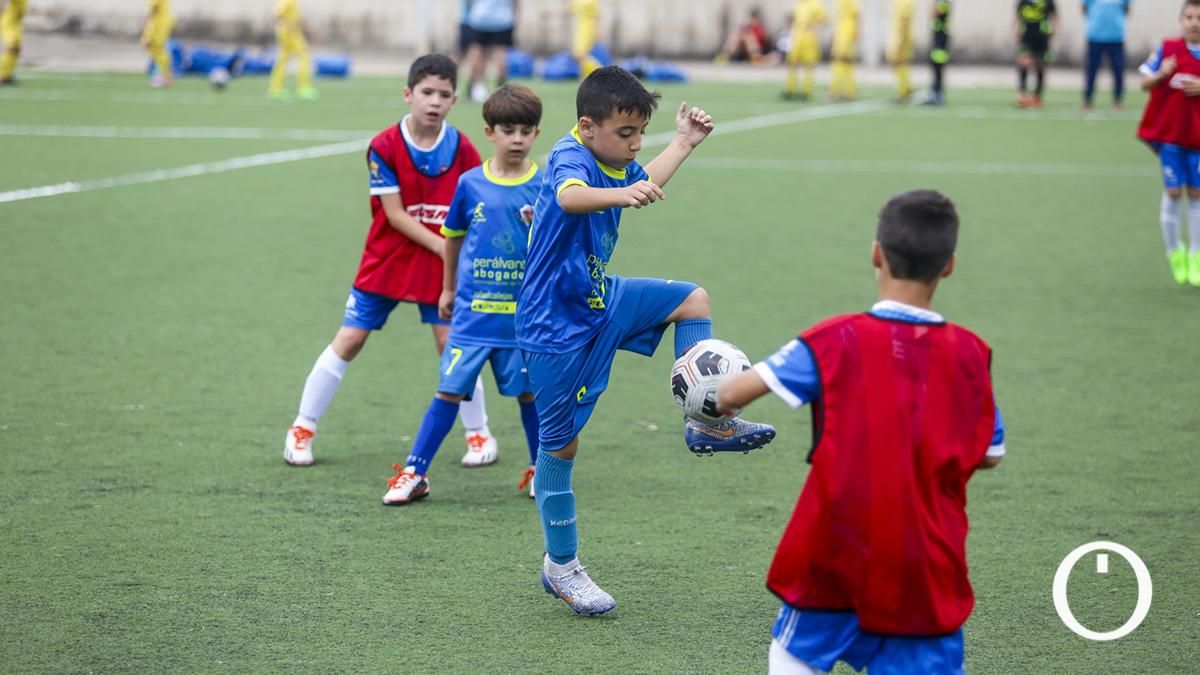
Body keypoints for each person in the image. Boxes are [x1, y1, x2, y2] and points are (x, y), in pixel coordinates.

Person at [517, 66, 776, 616]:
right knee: (560, 448)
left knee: (692, 300)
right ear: (588, 126)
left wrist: (682, 143)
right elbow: (569, 197)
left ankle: (706, 420)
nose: (636, 145)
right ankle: (561, 567)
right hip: (553, 327)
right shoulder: (570, 156)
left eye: (641, 133)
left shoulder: (609, 157)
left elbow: (642, 180)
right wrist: (621, 193)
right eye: (626, 134)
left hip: (600, 297)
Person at [715, 189, 1006, 675]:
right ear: (949, 266)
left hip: (836, 555)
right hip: (926, 569)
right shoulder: (971, 354)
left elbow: (730, 394)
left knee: (793, 654)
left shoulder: (836, 337)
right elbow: (991, 453)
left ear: (876, 254)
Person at [283, 55, 499, 467]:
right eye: (426, 92)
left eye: (444, 95)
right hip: (388, 257)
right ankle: (302, 427)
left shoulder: (463, 148)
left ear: (454, 101)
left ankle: (478, 432)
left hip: (440, 266)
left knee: (452, 345)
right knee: (351, 338)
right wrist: (444, 246)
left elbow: (479, 202)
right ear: (408, 94)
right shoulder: (383, 146)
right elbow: (395, 215)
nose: (434, 101)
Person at [382, 84, 544, 505]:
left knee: (530, 394)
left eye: (525, 131)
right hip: (472, 316)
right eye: (508, 130)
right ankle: (415, 472)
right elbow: (452, 238)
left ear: (536, 134)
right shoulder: (470, 184)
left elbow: (554, 249)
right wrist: (448, 288)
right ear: (489, 132)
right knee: (449, 389)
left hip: (521, 319)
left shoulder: (545, 186)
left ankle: (540, 469)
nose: (517, 139)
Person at [1137, 0, 1200, 286]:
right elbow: (1144, 82)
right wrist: (1162, 73)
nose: (1194, 23)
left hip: (1197, 138)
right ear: (1180, 19)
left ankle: (1196, 256)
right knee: (1174, 193)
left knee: (1196, 194)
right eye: (1189, 17)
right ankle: (1175, 252)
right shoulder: (1168, 49)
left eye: (1199, 18)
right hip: (1171, 137)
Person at [460, 0, 516, 104]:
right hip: (503, 20)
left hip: (479, 18)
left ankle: (477, 88)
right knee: (500, 54)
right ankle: (502, 90)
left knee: (477, 53)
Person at [1083, 0, 1131, 110]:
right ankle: (1088, 99)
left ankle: (1118, 100)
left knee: (1118, 69)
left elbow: (1127, 9)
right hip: (1095, 35)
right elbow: (1085, 8)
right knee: (1091, 69)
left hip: (1116, 36)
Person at [269, 0, 317, 101]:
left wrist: (305, 28)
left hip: (290, 32)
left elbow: (295, 18)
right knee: (304, 55)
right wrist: (289, 26)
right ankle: (303, 88)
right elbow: (278, 14)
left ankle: (276, 88)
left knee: (284, 58)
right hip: (289, 33)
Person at [1016, 0, 1058, 108]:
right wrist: (1016, 31)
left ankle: (1037, 96)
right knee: (1023, 62)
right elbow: (1017, 16)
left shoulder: (1048, 1)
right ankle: (1022, 93)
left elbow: (1055, 15)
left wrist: (1054, 30)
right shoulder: (1023, 1)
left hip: (1042, 36)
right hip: (1026, 36)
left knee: (1040, 65)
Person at [544, 0, 601, 79]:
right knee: (577, 56)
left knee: (580, 55)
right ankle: (590, 75)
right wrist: (551, 13)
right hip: (580, 30)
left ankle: (599, 72)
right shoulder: (577, 1)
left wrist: (596, 30)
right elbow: (566, 10)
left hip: (589, 29)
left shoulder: (592, 1)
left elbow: (597, 16)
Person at [783, 0, 827, 101]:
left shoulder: (816, 3)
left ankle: (806, 91)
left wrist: (813, 26)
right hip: (797, 37)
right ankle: (790, 89)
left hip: (809, 38)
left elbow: (823, 19)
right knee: (792, 63)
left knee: (808, 65)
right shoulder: (799, 3)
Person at [922, 0, 951, 105]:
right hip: (938, 40)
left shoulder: (943, 1)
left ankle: (937, 95)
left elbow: (935, 12)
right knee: (935, 68)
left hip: (940, 41)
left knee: (938, 69)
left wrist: (933, 6)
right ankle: (935, 93)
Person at [140, 0, 175, 89]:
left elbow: (154, 8)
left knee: (157, 48)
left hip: (159, 22)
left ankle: (165, 77)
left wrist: (146, 25)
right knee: (156, 49)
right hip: (160, 20)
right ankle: (164, 75)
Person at [830, 0, 860, 100]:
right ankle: (845, 91)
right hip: (841, 32)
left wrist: (856, 31)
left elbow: (856, 14)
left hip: (847, 32)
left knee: (841, 60)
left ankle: (839, 91)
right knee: (843, 62)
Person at [888, 0, 917, 102]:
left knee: (899, 63)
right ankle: (906, 89)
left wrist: (900, 40)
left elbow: (905, 20)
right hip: (901, 36)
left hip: (901, 37)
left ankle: (903, 92)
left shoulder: (904, 2)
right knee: (902, 64)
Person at [0, 0, 27, 86]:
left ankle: (7, 74)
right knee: (12, 47)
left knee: (17, 48)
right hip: (9, 23)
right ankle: (2, 75)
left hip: (16, 23)